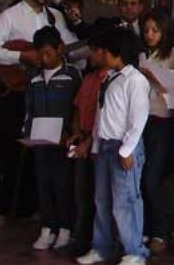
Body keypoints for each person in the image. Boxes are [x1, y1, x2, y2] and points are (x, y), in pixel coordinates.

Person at [0, 0, 78, 226]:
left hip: (48, 91)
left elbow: (70, 46)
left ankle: (32, 207)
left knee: (41, 149)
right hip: (16, 90)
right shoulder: (11, 16)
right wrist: (21, 56)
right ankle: (1, 206)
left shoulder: (54, 17)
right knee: (9, 148)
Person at [76, 28, 150, 265]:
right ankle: (102, 246)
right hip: (105, 145)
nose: (101, 55)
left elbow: (138, 119)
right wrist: (96, 145)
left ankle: (135, 251)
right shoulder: (109, 78)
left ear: (116, 53)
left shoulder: (135, 80)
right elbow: (102, 116)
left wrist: (127, 149)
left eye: (105, 51)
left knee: (125, 201)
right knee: (102, 201)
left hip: (123, 147)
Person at [24, 26, 82, 250]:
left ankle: (66, 228)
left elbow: (77, 107)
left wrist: (72, 133)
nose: (44, 58)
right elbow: (29, 109)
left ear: (60, 49)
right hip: (40, 140)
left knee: (63, 183)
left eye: (48, 53)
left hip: (65, 140)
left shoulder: (71, 75)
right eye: (40, 54)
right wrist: (27, 133)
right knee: (43, 182)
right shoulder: (34, 78)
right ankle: (48, 227)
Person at [137, 8, 174, 254]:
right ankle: (143, 227)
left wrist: (155, 79)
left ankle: (159, 230)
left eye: (155, 30)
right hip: (140, 120)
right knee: (139, 176)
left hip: (163, 121)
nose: (150, 35)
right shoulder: (141, 54)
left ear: (165, 30)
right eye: (146, 30)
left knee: (152, 177)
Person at [66, 36, 109, 256]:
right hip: (82, 139)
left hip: (99, 143)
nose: (90, 56)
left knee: (99, 197)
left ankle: (98, 243)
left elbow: (102, 119)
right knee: (81, 194)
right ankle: (80, 239)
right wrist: (75, 133)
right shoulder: (89, 78)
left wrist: (88, 142)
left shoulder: (109, 80)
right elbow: (77, 108)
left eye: (93, 51)